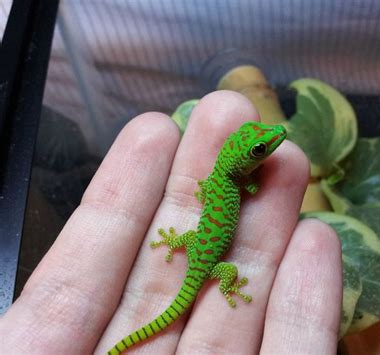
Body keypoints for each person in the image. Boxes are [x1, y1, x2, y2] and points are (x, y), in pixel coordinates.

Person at [0, 91, 342, 354]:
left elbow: (220, 190)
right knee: (231, 272)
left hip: (197, 252)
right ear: (239, 163)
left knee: (201, 267)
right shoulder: (242, 183)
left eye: (260, 144)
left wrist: (176, 241)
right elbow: (250, 185)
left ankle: (179, 259)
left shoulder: (216, 181)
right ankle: (224, 285)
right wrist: (226, 282)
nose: (275, 135)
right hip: (209, 267)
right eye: (259, 149)